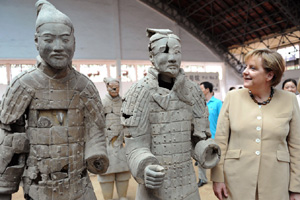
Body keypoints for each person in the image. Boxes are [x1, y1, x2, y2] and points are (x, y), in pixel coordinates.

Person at [0, 1, 109, 199]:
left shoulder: (84, 86)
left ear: (74, 42)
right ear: (36, 41)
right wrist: (4, 189)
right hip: (41, 189)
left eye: (65, 39)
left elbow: (96, 128)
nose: (58, 47)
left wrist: (97, 153)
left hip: (81, 187)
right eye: (49, 39)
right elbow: (9, 141)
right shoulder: (24, 84)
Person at [121, 28, 220, 200]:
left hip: (187, 184)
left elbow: (196, 138)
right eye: (164, 51)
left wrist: (205, 149)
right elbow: (134, 146)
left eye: (177, 52)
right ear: (151, 57)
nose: (172, 58)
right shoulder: (138, 92)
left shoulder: (193, 91)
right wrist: (144, 167)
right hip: (154, 189)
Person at [211, 48, 300, 200]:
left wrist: (296, 188)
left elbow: (296, 146)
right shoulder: (233, 98)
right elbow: (221, 141)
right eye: (246, 67)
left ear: (269, 75)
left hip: (277, 180)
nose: (245, 72)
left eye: (252, 68)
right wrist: (217, 178)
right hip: (236, 178)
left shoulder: (289, 100)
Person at [98, 77, 131, 200]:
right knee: (106, 173)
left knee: (123, 172)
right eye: (111, 87)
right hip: (106, 144)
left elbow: (128, 121)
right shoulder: (102, 102)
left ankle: (123, 196)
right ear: (106, 87)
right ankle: (108, 198)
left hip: (121, 143)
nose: (114, 89)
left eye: (116, 87)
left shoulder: (124, 103)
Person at [197, 81, 222, 187]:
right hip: (202, 136)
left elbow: (222, 120)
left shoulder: (217, 103)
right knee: (200, 157)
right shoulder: (199, 103)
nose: (200, 90)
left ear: (207, 90)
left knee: (217, 159)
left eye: (201, 88)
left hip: (215, 135)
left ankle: (219, 178)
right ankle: (202, 178)